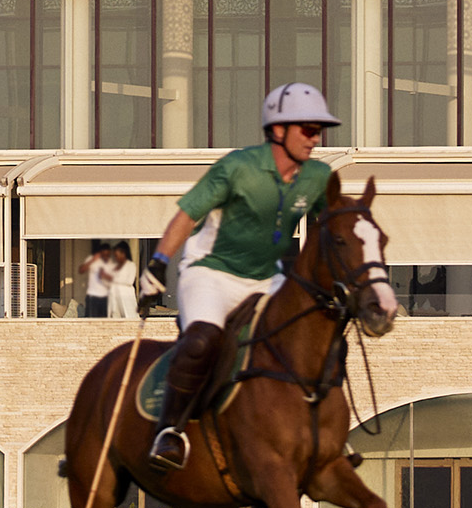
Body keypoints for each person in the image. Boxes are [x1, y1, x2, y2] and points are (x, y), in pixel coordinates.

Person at [145, 83, 342, 471]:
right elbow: (187, 215)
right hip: (211, 273)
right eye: (307, 129)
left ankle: (319, 432)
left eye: (319, 130)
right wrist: (156, 265)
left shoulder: (317, 177)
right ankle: (170, 430)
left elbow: (330, 229)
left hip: (268, 278)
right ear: (278, 131)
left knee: (319, 332)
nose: (315, 138)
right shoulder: (236, 167)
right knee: (203, 341)